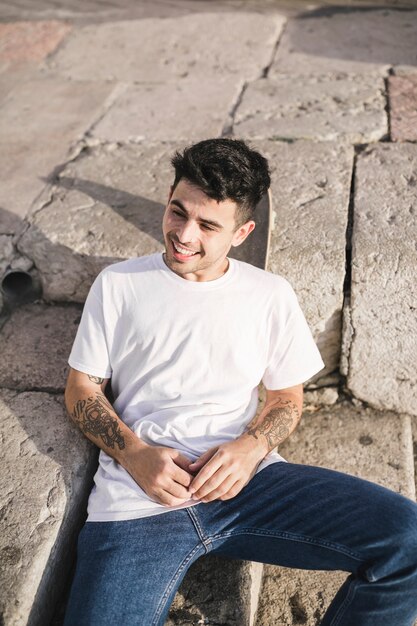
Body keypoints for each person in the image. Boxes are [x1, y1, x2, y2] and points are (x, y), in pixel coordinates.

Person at [63, 138, 417, 626]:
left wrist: (250, 448)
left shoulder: (269, 295)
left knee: (408, 540)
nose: (184, 235)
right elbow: (82, 388)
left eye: (208, 225)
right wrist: (135, 454)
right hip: (136, 503)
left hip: (250, 485)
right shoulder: (119, 284)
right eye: (177, 212)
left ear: (242, 231)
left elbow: (287, 396)